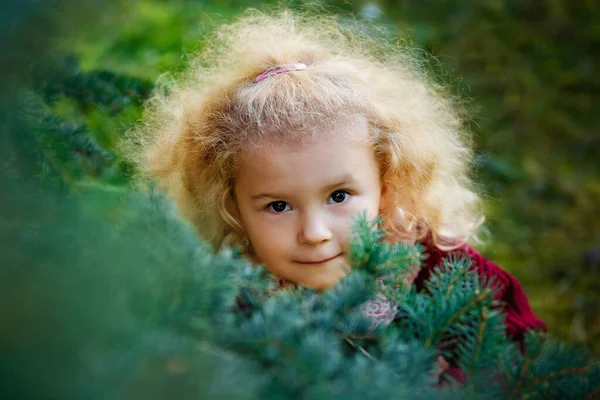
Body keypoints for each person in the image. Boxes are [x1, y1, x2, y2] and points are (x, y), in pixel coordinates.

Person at [127, 8, 545, 383]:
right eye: (278, 206)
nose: (315, 233)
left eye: (340, 196)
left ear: (387, 181)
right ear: (231, 206)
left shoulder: (446, 276)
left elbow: (524, 365)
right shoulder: (233, 300)